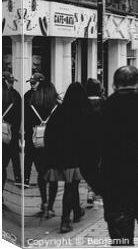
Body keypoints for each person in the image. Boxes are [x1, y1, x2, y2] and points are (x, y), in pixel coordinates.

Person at [79, 65, 138, 245]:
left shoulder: (100, 112)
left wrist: (100, 186)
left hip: (115, 186)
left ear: (113, 85)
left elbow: (86, 157)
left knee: (121, 241)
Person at [45, 82, 88, 233]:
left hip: (59, 155)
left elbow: (48, 134)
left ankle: (76, 211)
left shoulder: (59, 111)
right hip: (75, 156)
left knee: (72, 185)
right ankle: (65, 220)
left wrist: (50, 154)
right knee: (71, 186)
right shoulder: (83, 113)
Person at [25, 80, 61, 218]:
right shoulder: (57, 106)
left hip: (37, 145)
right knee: (53, 176)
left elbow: (28, 128)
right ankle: (50, 207)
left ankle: (44, 202)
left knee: (41, 174)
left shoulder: (31, 106)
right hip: (54, 146)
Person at [84, 78, 105, 208]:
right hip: (101, 140)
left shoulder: (82, 103)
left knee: (88, 167)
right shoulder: (104, 103)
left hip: (86, 141)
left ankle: (90, 192)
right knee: (100, 166)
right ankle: (98, 192)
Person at [22, 72, 45, 188]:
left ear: (40, 82)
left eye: (34, 83)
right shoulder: (45, 96)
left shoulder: (27, 96)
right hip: (36, 131)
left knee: (32, 156)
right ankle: (28, 179)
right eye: (31, 83)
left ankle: (27, 179)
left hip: (36, 131)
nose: (32, 85)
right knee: (31, 155)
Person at [2, 71, 22, 189]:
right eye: (10, 82)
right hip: (10, 134)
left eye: (12, 82)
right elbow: (18, 118)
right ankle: (18, 178)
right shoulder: (16, 95)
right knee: (11, 160)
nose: (11, 84)